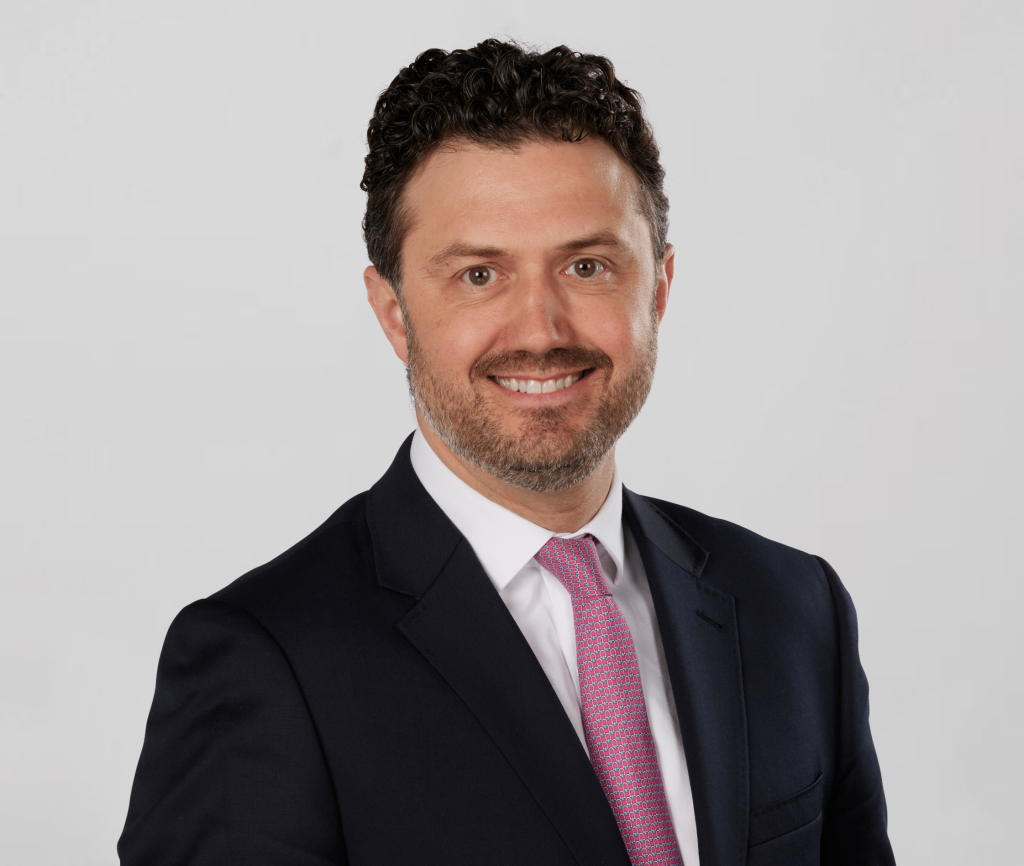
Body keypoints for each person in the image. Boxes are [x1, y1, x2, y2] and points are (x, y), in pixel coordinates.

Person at [118, 40, 896, 866]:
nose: (541, 330)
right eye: (480, 276)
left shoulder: (792, 609)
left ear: (659, 288)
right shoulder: (264, 662)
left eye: (587, 266)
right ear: (393, 312)